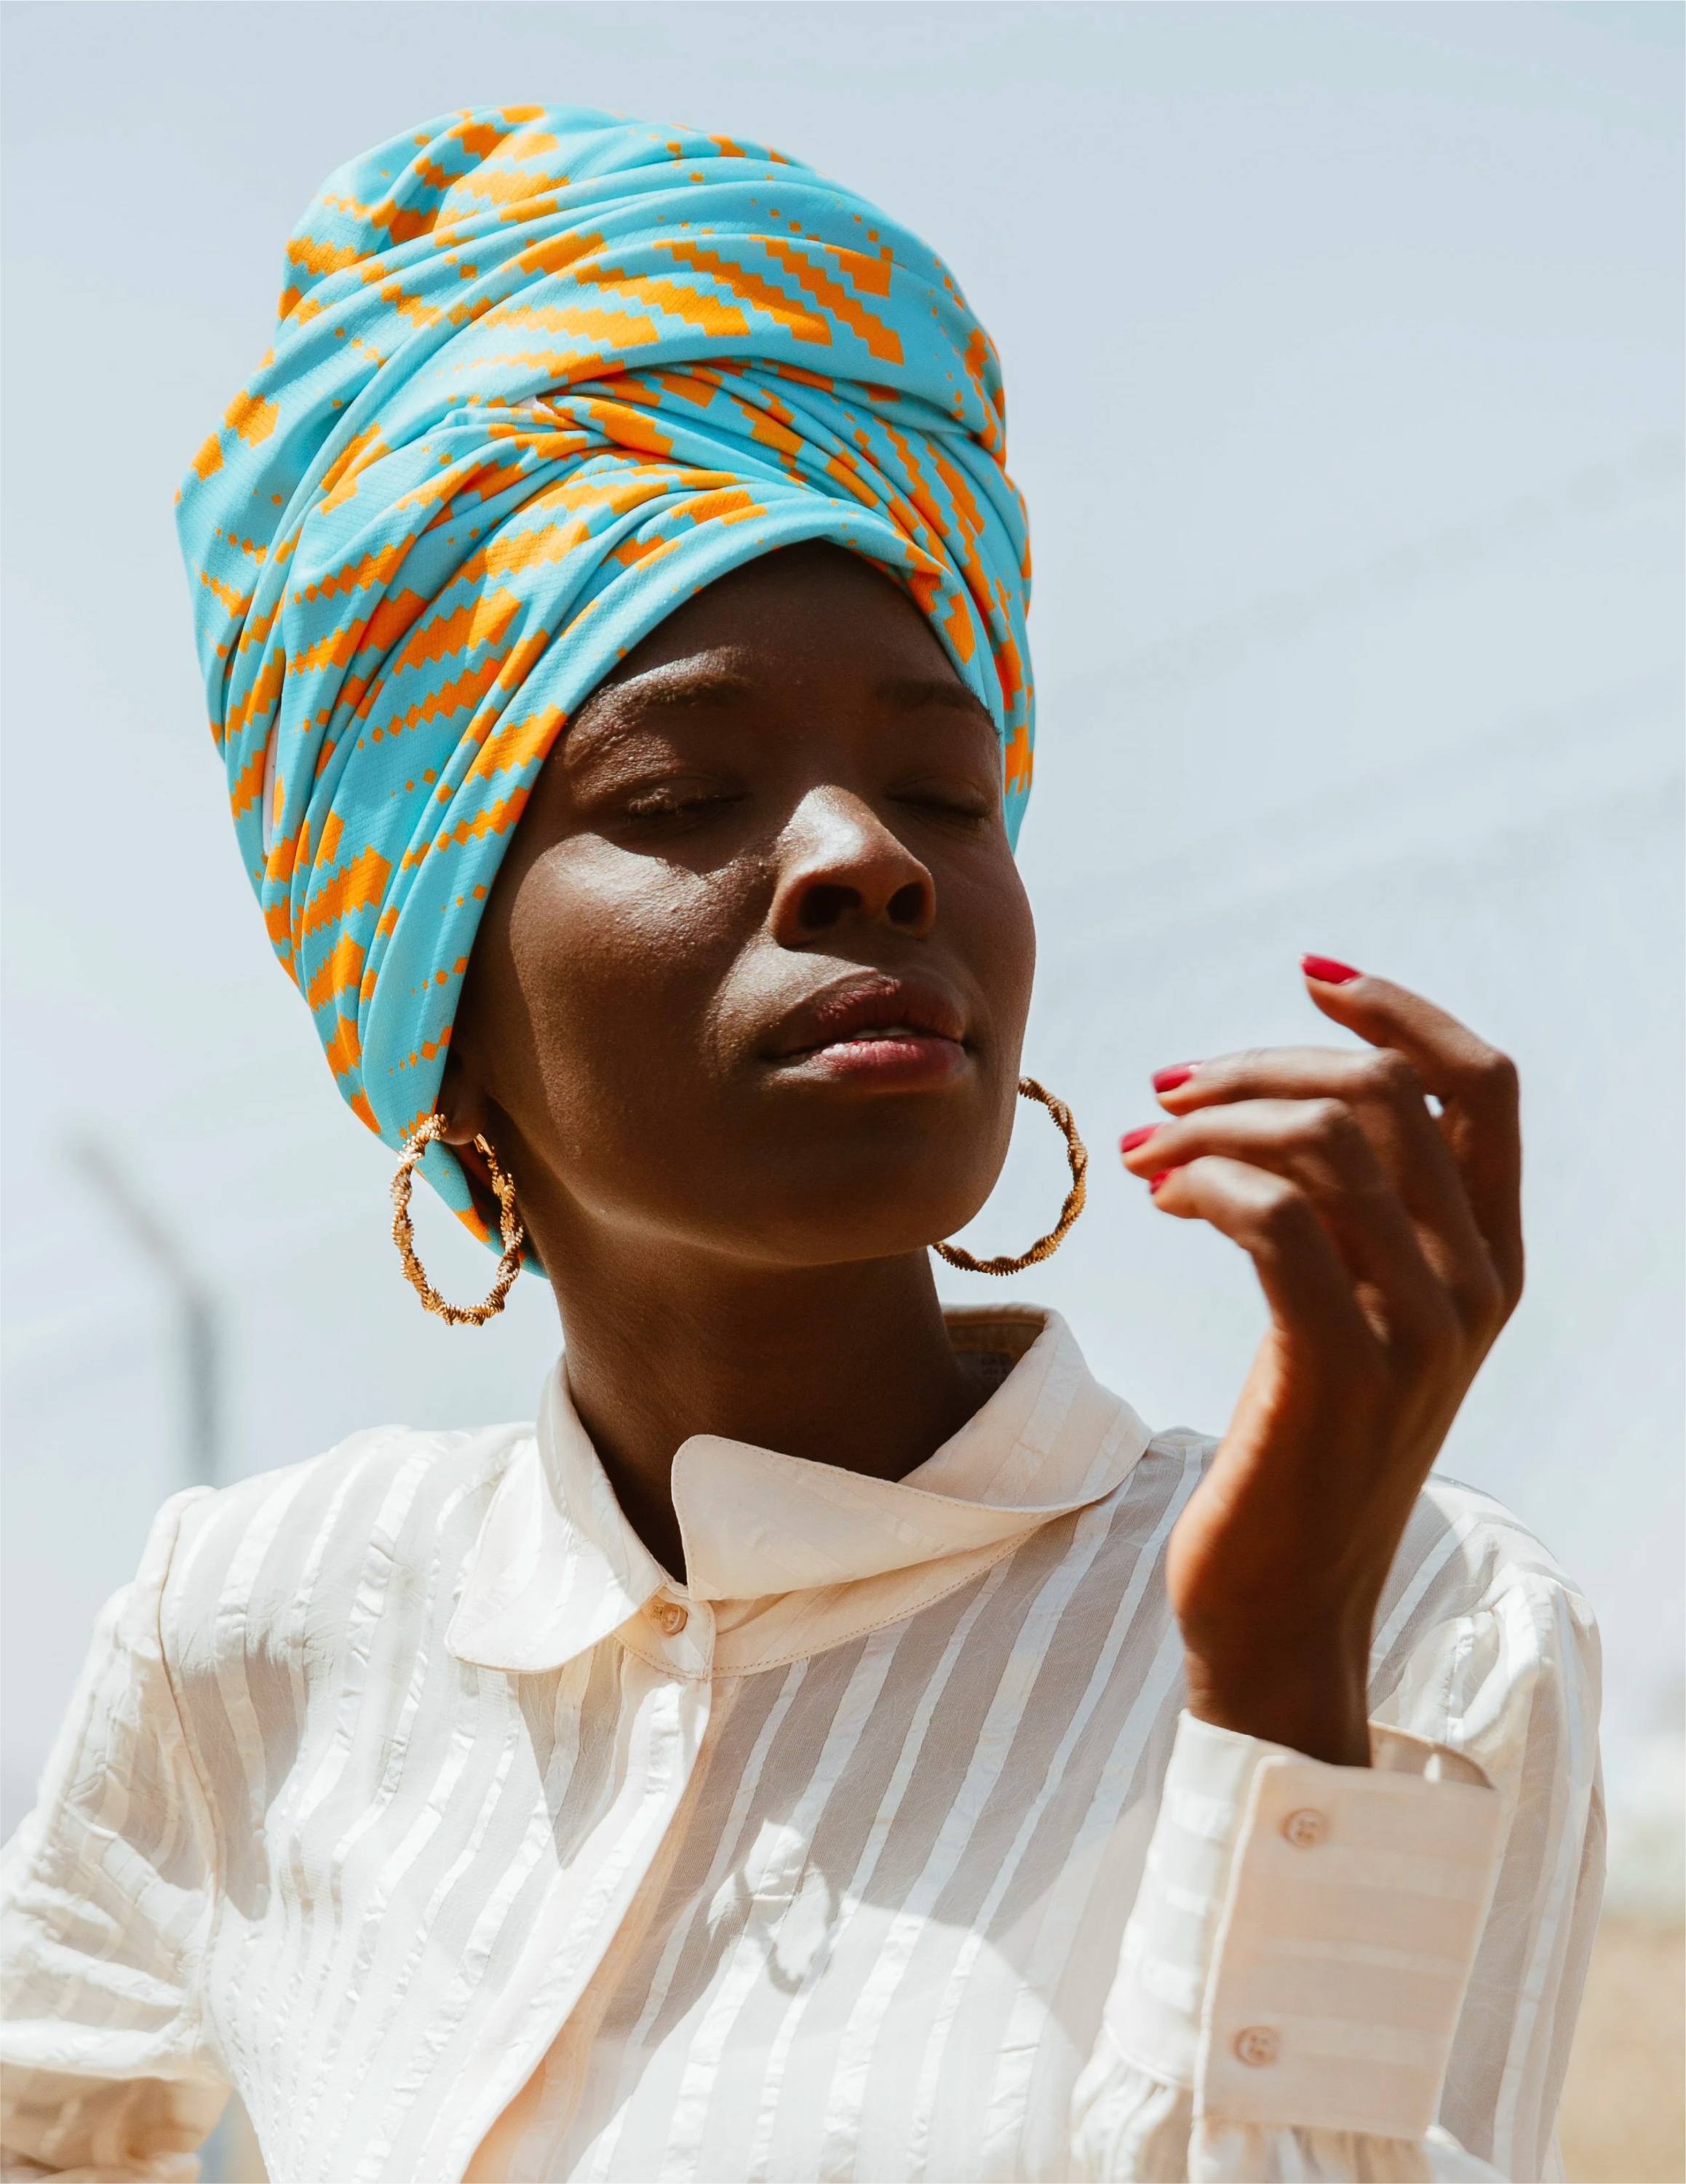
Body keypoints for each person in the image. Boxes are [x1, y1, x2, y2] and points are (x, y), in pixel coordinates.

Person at [0, 106, 1599, 2184]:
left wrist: (1273, 1669)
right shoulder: (255, 1634)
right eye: (680, 797)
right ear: (428, 994)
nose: (868, 860)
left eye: (947, 794)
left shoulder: (1420, 1624)